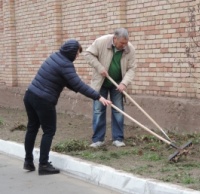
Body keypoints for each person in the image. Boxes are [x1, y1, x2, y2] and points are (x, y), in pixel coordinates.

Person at [23, 39, 111, 175]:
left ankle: (28, 161)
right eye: (76, 53)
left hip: (30, 95)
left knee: (32, 128)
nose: (77, 56)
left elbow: (68, 81)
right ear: (71, 52)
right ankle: (43, 165)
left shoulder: (55, 57)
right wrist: (98, 97)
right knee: (49, 131)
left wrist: (78, 87)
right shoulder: (66, 65)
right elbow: (78, 85)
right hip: (43, 100)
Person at [85, 28, 136, 148]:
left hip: (117, 84)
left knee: (118, 110)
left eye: (126, 43)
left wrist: (124, 83)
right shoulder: (101, 42)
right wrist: (99, 67)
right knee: (98, 110)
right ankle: (98, 139)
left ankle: (118, 138)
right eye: (122, 43)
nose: (124, 46)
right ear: (115, 39)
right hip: (101, 82)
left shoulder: (129, 49)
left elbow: (132, 68)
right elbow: (88, 54)